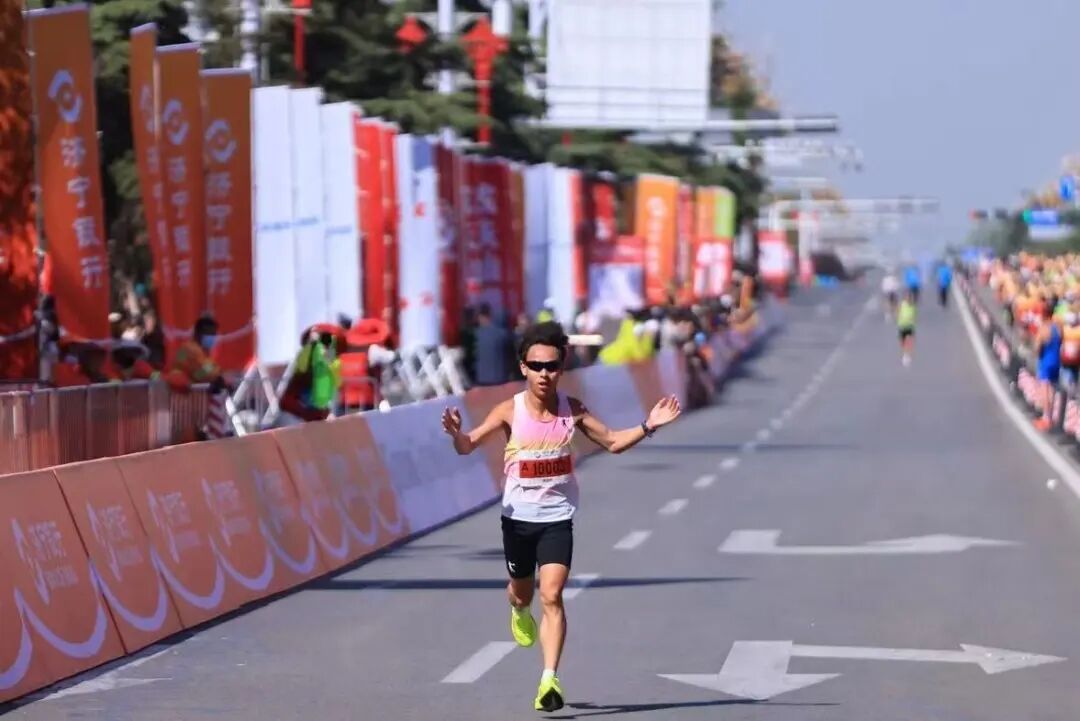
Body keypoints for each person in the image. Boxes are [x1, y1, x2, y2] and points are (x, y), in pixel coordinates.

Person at [440, 322, 682, 712]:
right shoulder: (509, 411)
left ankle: (548, 679)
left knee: (552, 595)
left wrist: (648, 425)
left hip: (557, 518)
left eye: (551, 366)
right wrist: (456, 434)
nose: (544, 374)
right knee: (523, 592)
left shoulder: (573, 410)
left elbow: (613, 441)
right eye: (536, 366)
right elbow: (467, 446)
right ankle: (519, 608)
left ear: (561, 368)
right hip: (518, 519)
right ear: (523, 367)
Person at [1034, 307, 1062, 431]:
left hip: (1046, 361)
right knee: (1053, 390)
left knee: (1045, 390)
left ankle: (1046, 418)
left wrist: (1038, 353)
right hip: (1057, 360)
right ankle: (1052, 416)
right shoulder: (1058, 328)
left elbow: (1038, 346)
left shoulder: (1044, 329)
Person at [897, 291, 917, 366]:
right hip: (902, 325)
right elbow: (898, 312)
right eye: (907, 297)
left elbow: (914, 314)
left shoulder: (913, 306)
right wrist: (899, 318)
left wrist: (913, 321)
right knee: (902, 342)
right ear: (905, 298)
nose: (909, 298)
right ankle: (905, 354)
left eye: (910, 297)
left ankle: (907, 355)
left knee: (909, 341)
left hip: (910, 326)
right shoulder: (901, 305)